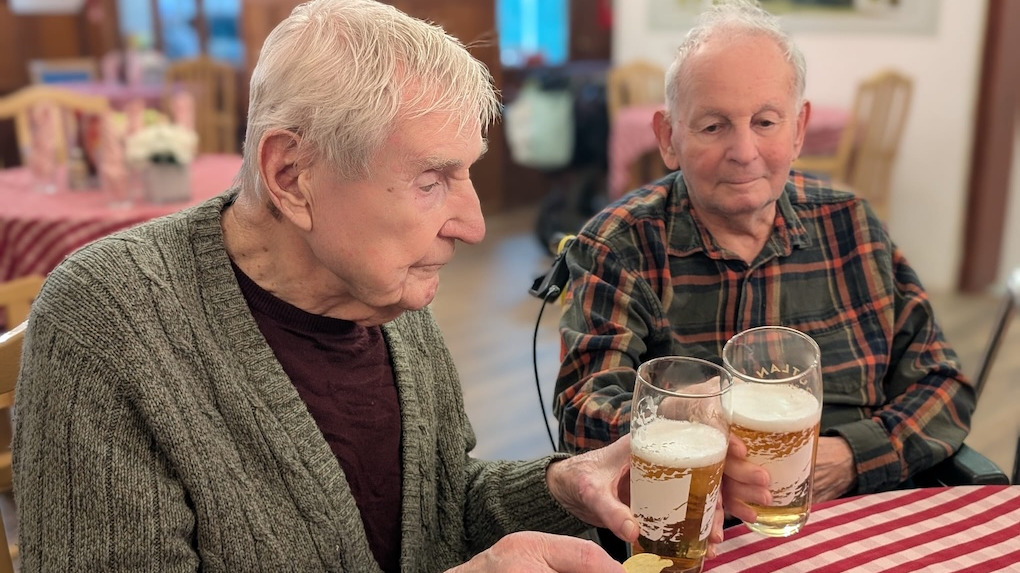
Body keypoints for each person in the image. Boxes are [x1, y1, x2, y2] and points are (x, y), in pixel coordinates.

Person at [12, 1, 767, 571]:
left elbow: (434, 509)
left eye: (466, 173)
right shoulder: (107, 323)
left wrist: (564, 486)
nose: (473, 223)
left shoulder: (388, 299)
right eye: (432, 179)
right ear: (291, 175)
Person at [554, 0, 975, 505]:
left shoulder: (853, 227)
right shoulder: (621, 246)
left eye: (766, 122)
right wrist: (685, 420)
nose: (744, 151)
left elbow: (943, 387)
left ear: (799, 129)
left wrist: (852, 458)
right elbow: (584, 418)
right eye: (713, 126)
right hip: (698, 526)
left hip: (861, 512)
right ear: (669, 138)